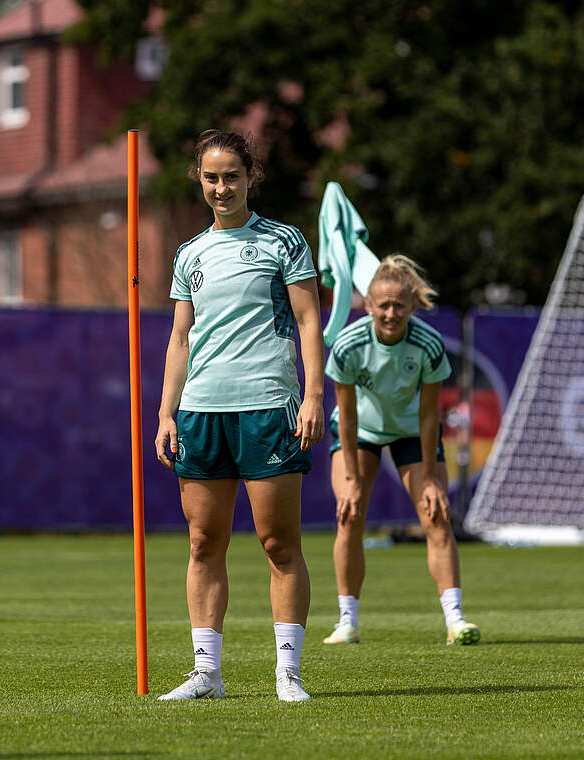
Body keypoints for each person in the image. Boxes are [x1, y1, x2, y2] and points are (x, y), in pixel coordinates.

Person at [154, 130, 325, 702]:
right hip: (201, 412)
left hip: (268, 407)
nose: (221, 187)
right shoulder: (189, 254)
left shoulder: (284, 241)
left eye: (231, 176)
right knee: (204, 542)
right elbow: (181, 339)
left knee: (279, 544)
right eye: (211, 177)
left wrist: (314, 395)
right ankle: (207, 674)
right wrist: (167, 413)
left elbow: (308, 322)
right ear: (199, 181)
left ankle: (288, 673)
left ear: (251, 177)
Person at [321, 255, 481, 646]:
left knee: (436, 515)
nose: (390, 313)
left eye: (398, 305)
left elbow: (429, 415)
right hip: (360, 431)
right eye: (383, 305)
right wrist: (352, 479)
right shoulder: (348, 345)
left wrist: (431, 479)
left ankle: (455, 621)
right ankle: (347, 622)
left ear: (412, 305)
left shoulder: (428, 345)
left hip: (411, 430)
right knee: (350, 515)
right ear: (369, 305)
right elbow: (348, 416)